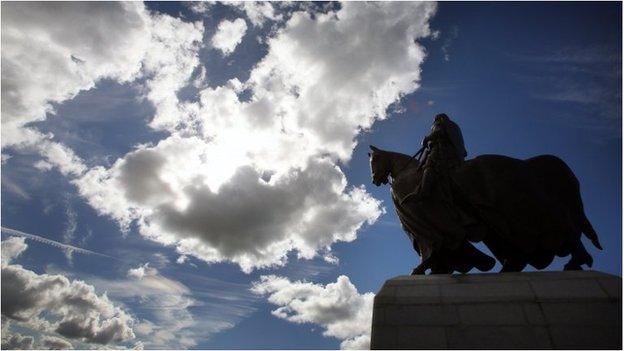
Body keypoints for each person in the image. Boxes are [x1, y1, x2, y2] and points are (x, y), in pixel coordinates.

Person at [401, 113, 466, 205]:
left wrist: (426, 139)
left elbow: (438, 132)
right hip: (455, 152)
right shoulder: (453, 125)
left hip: (444, 150)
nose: (434, 122)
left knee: (429, 165)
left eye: (435, 120)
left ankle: (423, 192)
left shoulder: (439, 124)